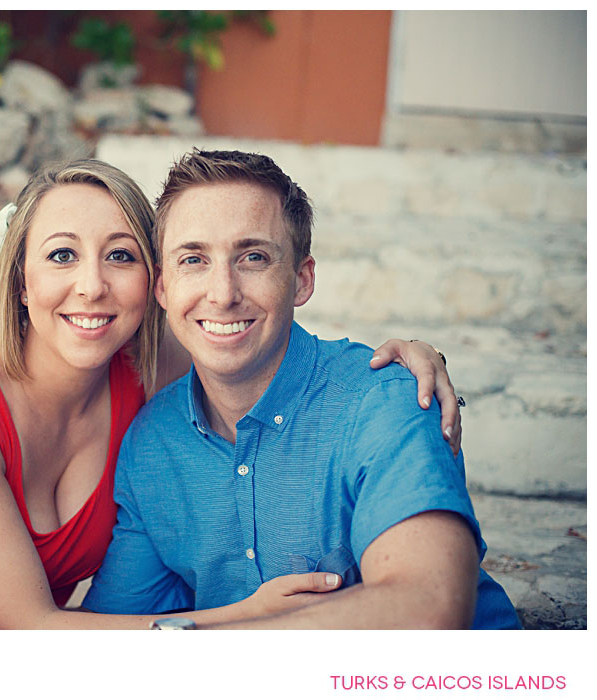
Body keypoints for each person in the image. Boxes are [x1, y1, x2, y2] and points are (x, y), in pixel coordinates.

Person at [0, 158, 462, 630]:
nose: (91, 287)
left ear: (151, 285)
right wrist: (239, 620)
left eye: (120, 255)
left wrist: (405, 358)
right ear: (20, 281)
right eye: (60, 256)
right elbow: (34, 626)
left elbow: (250, 330)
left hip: (10, 642)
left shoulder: (152, 370)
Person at [81, 149, 519, 629]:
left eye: (253, 257)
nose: (223, 293)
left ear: (301, 280)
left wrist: (203, 640)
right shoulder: (154, 443)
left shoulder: (387, 399)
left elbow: (427, 609)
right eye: (194, 259)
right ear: (163, 290)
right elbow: (111, 635)